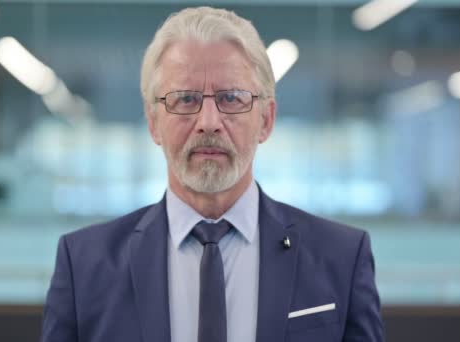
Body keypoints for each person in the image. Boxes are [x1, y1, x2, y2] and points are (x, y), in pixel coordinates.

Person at [41, 6, 384, 342]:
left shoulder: (341, 258)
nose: (208, 123)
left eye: (232, 98)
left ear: (266, 120)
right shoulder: (84, 266)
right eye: (185, 99)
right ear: (153, 122)